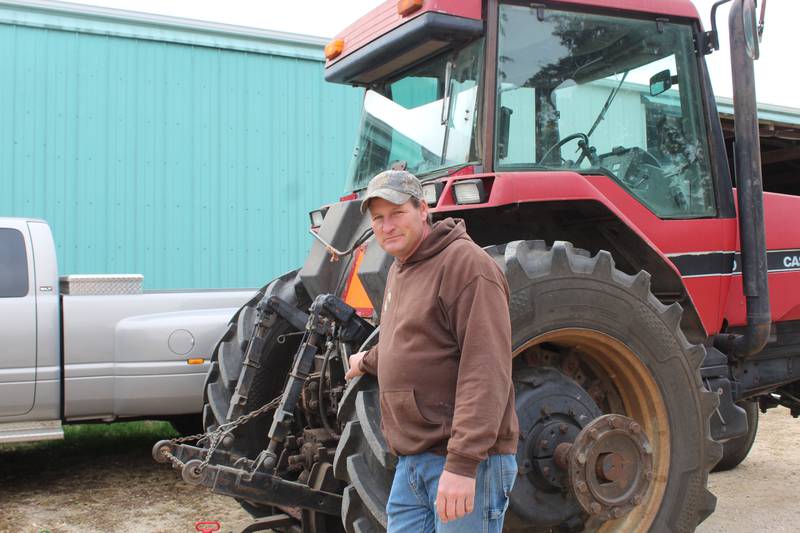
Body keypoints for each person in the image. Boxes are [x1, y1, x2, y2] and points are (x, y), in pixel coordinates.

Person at [344, 169, 519, 532]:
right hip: (413, 461)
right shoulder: (401, 268)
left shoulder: (466, 265)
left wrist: (462, 464)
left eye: (397, 213)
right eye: (378, 218)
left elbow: (486, 370)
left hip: (463, 461)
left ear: (423, 209)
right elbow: (411, 341)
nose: (387, 226)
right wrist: (369, 360)